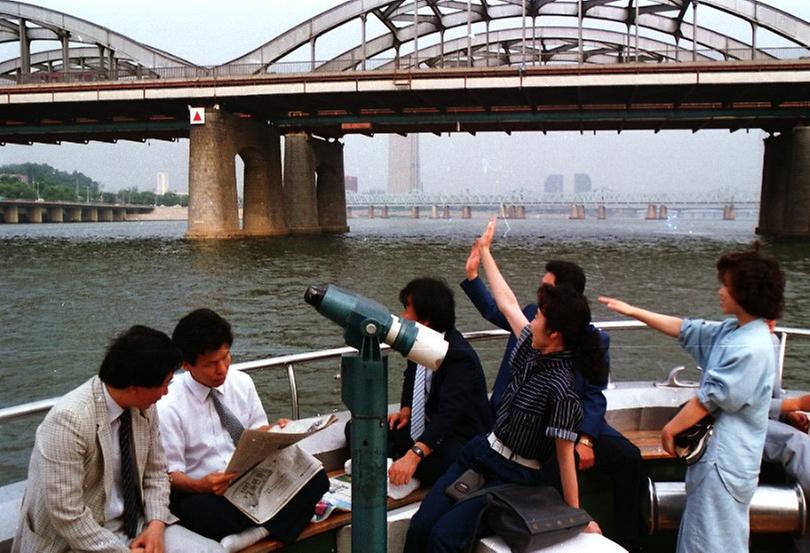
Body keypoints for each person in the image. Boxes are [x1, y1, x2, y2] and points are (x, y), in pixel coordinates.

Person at [404, 218, 601, 553]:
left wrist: (578, 514)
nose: (531, 319)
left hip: (513, 477)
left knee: (444, 538)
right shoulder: (530, 346)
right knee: (422, 525)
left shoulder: (563, 390)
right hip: (481, 451)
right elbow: (506, 302)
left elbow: (565, 457)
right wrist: (485, 252)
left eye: (539, 316)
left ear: (554, 333)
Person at [599, 244, 784, 553]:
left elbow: (712, 397)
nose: (720, 291)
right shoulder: (735, 331)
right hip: (719, 460)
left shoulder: (750, 346)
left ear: (746, 291)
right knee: (709, 533)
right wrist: (634, 311)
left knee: (713, 539)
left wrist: (669, 430)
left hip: (725, 462)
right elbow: (686, 329)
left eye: (726, 284)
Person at [461, 248, 644, 551]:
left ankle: (628, 539)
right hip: (531, 423)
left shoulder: (593, 340)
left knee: (628, 457)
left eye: (548, 288)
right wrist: (473, 276)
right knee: (549, 464)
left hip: (573, 421)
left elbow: (593, 393)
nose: (541, 294)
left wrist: (585, 438)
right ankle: (555, 527)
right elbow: (500, 308)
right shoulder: (536, 319)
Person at [12, 325, 224, 553]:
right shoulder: (68, 422)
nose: (166, 393)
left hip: (137, 525)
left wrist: (156, 525)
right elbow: (67, 515)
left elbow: (156, 474)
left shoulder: (145, 407)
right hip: (75, 540)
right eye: (165, 384)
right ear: (135, 387)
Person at [157, 308, 329, 546]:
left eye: (226, 357)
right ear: (186, 365)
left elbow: (256, 433)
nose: (222, 369)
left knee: (318, 478)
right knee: (204, 515)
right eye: (211, 364)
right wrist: (200, 484)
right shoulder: (169, 405)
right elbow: (170, 474)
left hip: (250, 477)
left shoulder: (241, 382)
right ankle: (275, 525)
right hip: (207, 490)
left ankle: (260, 531)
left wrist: (279, 432)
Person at [385, 277, 493, 487]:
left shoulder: (459, 356)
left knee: (437, 466)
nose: (403, 317)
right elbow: (410, 377)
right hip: (424, 424)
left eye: (407, 310)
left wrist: (414, 455)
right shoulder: (419, 341)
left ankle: (398, 462)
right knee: (359, 431)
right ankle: (396, 461)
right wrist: (406, 409)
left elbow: (449, 415)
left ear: (425, 319)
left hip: (457, 435)